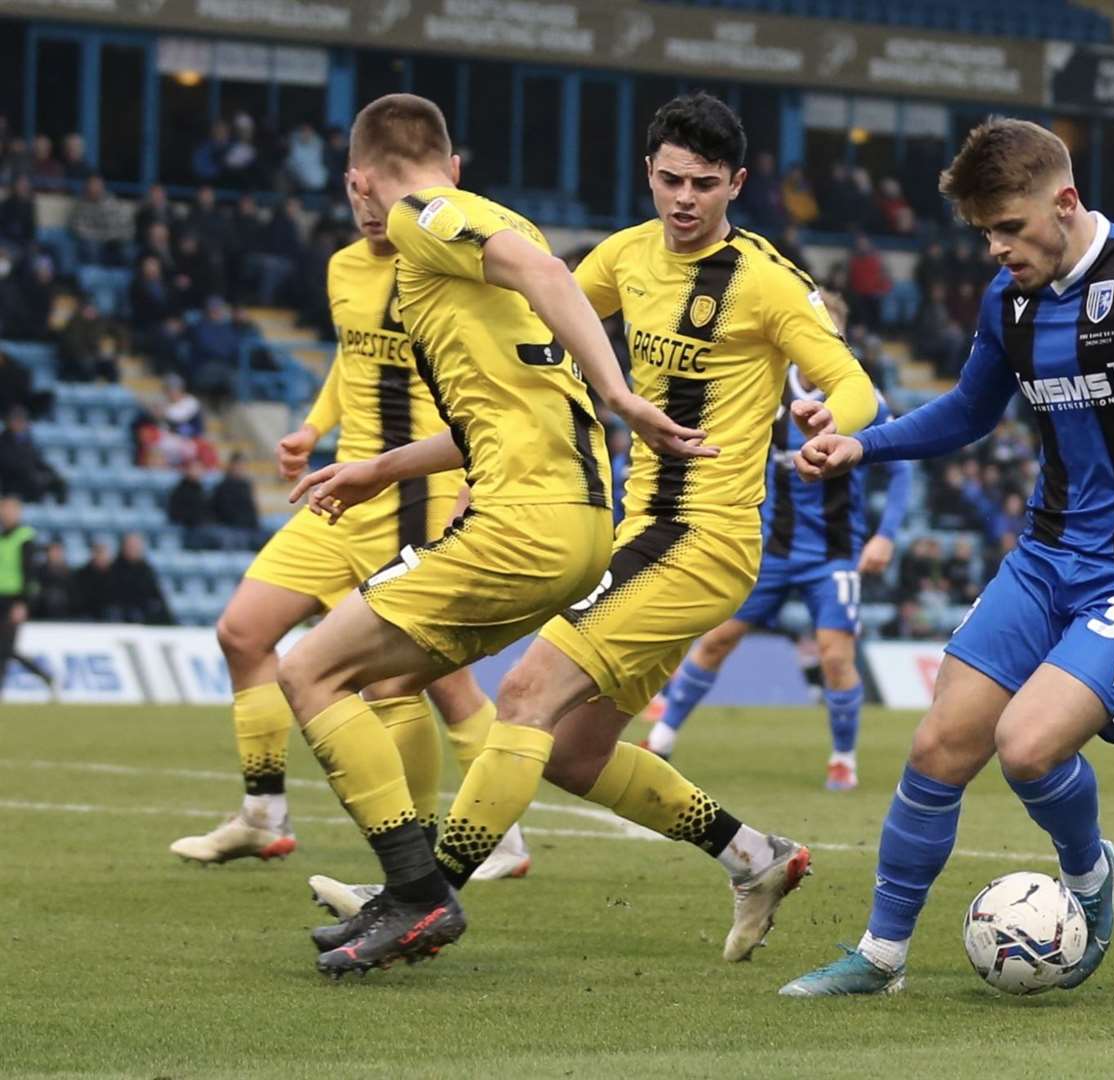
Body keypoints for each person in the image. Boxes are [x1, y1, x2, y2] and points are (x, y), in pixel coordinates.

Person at [293, 92, 876, 977]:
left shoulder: (766, 279)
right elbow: (541, 375)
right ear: (648, 173)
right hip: (633, 529)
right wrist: (417, 463)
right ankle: (755, 857)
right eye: (671, 179)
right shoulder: (623, 259)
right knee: (572, 754)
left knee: (524, 694)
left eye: (705, 185)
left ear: (738, 185)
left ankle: (419, 896)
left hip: (706, 536)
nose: (684, 199)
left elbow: (851, 380)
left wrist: (837, 423)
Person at [781, 118, 1114, 997]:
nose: (996, 250)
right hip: (1046, 558)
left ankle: (1090, 877)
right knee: (941, 742)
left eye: (1010, 229)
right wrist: (865, 446)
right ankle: (880, 957)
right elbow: (969, 412)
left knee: (1024, 748)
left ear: (1064, 202)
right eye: (984, 233)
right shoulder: (1007, 302)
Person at [264, 92, 714, 976]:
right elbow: (502, 400)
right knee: (397, 682)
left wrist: (622, 392)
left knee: (306, 668)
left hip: (521, 522)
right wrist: (377, 468)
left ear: (359, 181)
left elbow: (548, 280)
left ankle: (418, 892)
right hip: (578, 527)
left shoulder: (422, 216)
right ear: (456, 160)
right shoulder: (489, 221)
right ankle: (411, 893)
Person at [167, 170, 535, 880]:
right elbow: (351, 355)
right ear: (350, 186)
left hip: (413, 492)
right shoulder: (341, 266)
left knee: (430, 684)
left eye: (384, 195)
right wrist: (312, 427)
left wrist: (473, 483)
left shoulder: (442, 262)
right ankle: (264, 815)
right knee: (243, 633)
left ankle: (488, 840)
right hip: (341, 491)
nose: (372, 211)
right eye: (361, 196)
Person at [642, 335, 913, 789]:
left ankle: (843, 757)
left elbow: (901, 466)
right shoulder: (768, 387)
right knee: (717, 639)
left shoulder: (862, 398)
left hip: (833, 555)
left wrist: (885, 536)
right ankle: (662, 737)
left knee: (834, 654)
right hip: (770, 549)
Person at [0, 497, 53, 699]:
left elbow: (30, 574)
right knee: (6, 649)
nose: (5, 514)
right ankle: (44, 676)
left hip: (13, 599)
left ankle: (42, 675)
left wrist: (23, 603)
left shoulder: (25, 538)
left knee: (5, 649)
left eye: (9, 510)